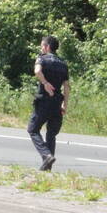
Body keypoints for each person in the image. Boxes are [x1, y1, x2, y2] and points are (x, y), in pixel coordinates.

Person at [28, 36, 70, 171]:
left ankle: (46, 155)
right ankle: (48, 167)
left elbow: (37, 71)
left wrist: (45, 83)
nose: (41, 48)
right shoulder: (63, 64)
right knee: (51, 134)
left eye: (42, 46)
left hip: (44, 101)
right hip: (57, 102)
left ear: (46, 47)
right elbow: (67, 87)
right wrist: (65, 105)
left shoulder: (42, 58)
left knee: (33, 129)